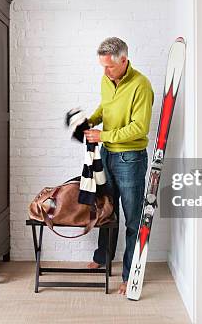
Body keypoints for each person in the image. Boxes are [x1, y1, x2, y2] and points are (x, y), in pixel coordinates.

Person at [83, 36, 154, 295]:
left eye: (110, 66)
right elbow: (107, 105)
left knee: (133, 219)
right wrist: (91, 120)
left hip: (130, 159)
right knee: (107, 211)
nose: (105, 71)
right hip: (107, 154)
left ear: (124, 60)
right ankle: (103, 258)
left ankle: (130, 275)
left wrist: (103, 135)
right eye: (102, 66)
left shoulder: (141, 86)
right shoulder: (106, 79)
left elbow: (139, 128)